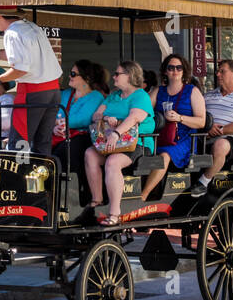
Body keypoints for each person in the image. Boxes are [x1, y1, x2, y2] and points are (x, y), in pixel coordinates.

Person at [0, 7, 62, 156]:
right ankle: (43, 177)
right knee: (42, 142)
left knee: (19, 142)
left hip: (32, 92)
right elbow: (14, 55)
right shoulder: (32, 27)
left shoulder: (12, 33)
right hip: (53, 91)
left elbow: (20, 69)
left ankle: (19, 176)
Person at [84, 60, 155, 225]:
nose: (114, 77)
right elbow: (95, 116)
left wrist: (116, 132)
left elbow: (134, 118)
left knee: (113, 162)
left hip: (137, 143)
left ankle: (114, 213)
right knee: (90, 154)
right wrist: (106, 118)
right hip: (112, 142)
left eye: (117, 74)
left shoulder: (140, 95)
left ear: (129, 76)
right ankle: (97, 201)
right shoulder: (114, 96)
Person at [140, 54, 207, 200]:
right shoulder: (158, 91)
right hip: (160, 135)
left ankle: (143, 196)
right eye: (171, 67)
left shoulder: (192, 91)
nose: (175, 71)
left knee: (164, 155)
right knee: (140, 151)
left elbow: (201, 122)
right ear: (165, 71)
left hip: (184, 138)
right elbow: (142, 110)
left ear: (184, 71)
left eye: (179, 67)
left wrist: (180, 118)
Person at [189, 58, 233, 197]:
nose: (218, 74)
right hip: (204, 138)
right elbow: (197, 118)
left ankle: (203, 182)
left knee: (221, 144)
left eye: (222, 71)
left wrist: (220, 131)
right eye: (218, 72)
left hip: (232, 141)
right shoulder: (207, 96)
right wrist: (208, 129)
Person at [53, 59, 109, 203]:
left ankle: (75, 195)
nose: (69, 76)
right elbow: (53, 114)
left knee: (66, 151)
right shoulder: (65, 94)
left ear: (86, 78)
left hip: (84, 136)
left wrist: (63, 123)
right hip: (61, 134)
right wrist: (55, 126)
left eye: (73, 73)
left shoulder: (95, 96)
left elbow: (84, 119)